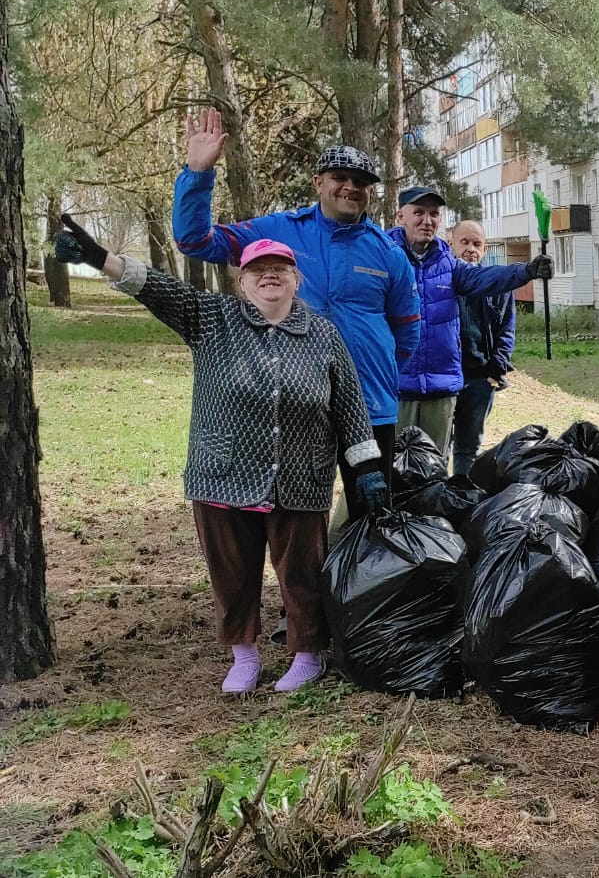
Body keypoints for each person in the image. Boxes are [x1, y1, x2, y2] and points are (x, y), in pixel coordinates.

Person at [54, 220, 389, 694]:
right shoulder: (212, 318)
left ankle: (307, 655)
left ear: (297, 279)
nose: (269, 275)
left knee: (301, 573)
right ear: (242, 280)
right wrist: (99, 257)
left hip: (302, 473)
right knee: (232, 571)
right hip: (223, 472)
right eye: (258, 269)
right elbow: (159, 289)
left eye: (280, 268)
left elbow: (350, 408)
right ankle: (244, 655)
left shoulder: (324, 335)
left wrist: (368, 469)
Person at [172, 108, 417, 508]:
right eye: (340, 178)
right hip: (298, 404)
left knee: (373, 512)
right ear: (319, 182)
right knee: (299, 515)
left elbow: (407, 330)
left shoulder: (390, 254)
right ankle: (311, 573)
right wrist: (198, 174)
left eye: (361, 182)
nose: (350, 188)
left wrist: (384, 370)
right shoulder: (277, 231)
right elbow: (196, 242)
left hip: (372, 404)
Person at [389, 186, 551, 454]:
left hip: (440, 390)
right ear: (400, 217)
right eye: (418, 212)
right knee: (390, 470)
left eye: (433, 214)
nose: (427, 220)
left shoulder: (448, 264)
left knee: (432, 471)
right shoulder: (383, 256)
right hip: (396, 388)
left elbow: (483, 278)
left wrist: (526, 271)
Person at [449, 220, 516, 475]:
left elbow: (506, 329)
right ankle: (432, 500)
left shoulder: (496, 284)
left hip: (480, 379)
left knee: (469, 447)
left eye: (477, 244)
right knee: (439, 445)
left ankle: (461, 497)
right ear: (451, 244)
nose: (470, 249)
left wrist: (497, 368)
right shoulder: (443, 281)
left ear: (485, 249)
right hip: (445, 377)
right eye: (464, 242)